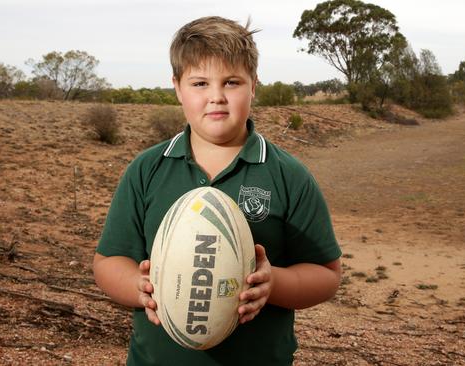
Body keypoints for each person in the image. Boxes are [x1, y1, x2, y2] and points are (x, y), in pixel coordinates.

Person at [93, 16, 341, 366]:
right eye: (199, 83)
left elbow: (327, 274)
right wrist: (137, 285)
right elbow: (108, 261)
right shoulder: (147, 170)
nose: (216, 97)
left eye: (232, 82)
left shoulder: (288, 175)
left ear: (253, 86)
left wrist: (274, 285)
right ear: (177, 87)